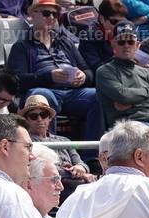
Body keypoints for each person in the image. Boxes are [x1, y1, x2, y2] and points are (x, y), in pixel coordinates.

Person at [6, 0, 103, 148]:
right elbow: (16, 80)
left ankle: (92, 155)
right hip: (46, 92)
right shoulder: (22, 45)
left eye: (55, 14)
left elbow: (88, 71)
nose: (51, 17)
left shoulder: (65, 42)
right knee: (41, 95)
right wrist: (48, 76)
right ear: (33, 15)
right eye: (46, 13)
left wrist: (83, 77)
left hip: (73, 93)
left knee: (98, 95)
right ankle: (49, 151)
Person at [95, 21, 149, 134]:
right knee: (148, 138)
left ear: (136, 45)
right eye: (121, 42)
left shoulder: (146, 72)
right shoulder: (104, 71)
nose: (126, 46)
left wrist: (133, 104)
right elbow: (123, 95)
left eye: (130, 42)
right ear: (113, 45)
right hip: (128, 126)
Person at [20, 94, 95, 196]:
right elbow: (41, 170)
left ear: (49, 118)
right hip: (47, 189)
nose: (39, 119)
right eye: (33, 116)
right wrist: (80, 174)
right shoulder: (26, 141)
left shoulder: (64, 140)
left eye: (44, 115)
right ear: (26, 120)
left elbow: (79, 162)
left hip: (71, 187)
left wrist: (80, 168)